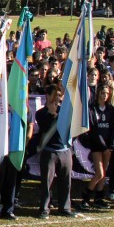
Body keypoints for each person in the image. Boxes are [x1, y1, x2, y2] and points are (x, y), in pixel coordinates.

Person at [30, 85, 79, 219]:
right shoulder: (41, 113)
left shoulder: (66, 112)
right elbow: (45, 127)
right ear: (47, 96)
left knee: (66, 182)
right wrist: (52, 115)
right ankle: (44, 208)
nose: (57, 98)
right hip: (49, 151)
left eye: (59, 95)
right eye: (54, 95)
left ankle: (65, 207)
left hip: (64, 150)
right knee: (47, 182)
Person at [78, 81, 114, 209]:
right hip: (97, 146)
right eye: (102, 93)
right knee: (99, 173)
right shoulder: (92, 110)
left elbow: (113, 129)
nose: (104, 95)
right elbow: (94, 130)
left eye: (107, 93)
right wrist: (104, 147)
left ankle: (99, 198)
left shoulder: (111, 110)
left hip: (108, 147)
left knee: (104, 174)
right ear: (98, 94)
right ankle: (85, 197)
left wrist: (111, 145)